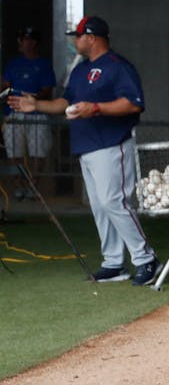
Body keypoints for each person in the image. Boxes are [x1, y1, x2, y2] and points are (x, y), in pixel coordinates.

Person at [6, 15, 157, 285]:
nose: (75, 40)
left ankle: (146, 259)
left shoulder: (117, 66)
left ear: (92, 37)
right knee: (100, 205)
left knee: (115, 202)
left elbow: (133, 104)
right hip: (87, 146)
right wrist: (36, 105)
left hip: (112, 143)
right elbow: (65, 101)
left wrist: (96, 107)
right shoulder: (79, 70)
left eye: (78, 35)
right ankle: (114, 263)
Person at [2, 26, 57, 199]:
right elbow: (5, 85)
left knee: (38, 153)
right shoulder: (13, 63)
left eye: (25, 39)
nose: (21, 42)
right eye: (21, 39)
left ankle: (33, 186)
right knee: (14, 152)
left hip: (36, 113)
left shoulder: (43, 64)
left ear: (33, 42)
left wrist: (33, 98)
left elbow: (47, 90)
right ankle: (19, 186)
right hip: (13, 113)